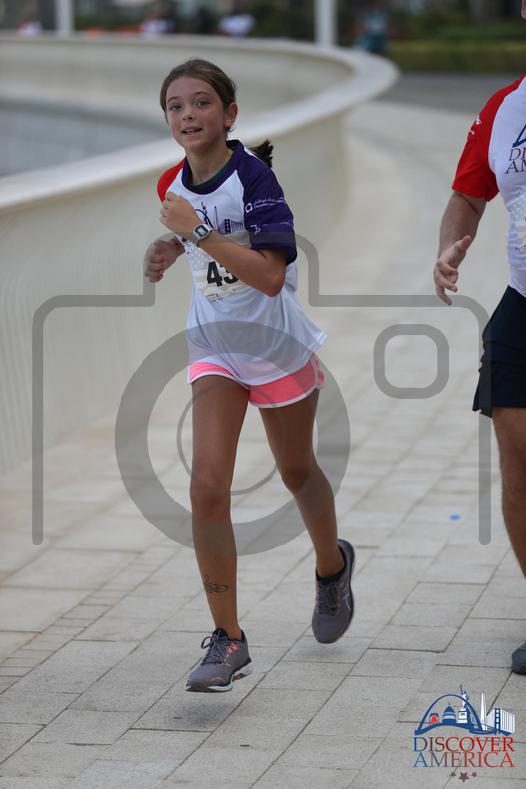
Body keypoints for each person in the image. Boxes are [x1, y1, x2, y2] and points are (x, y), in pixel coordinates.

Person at [144, 58, 355, 692]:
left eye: (201, 102)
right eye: (175, 106)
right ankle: (228, 639)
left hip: (275, 346)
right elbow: (195, 244)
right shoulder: (172, 184)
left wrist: (196, 231)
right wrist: (168, 248)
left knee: (296, 470)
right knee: (207, 486)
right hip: (215, 348)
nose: (188, 115)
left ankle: (331, 568)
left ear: (229, 113)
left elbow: (267, 276)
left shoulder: (256, 179)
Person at [434, 10, 526, 674]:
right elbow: (469, 195)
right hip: (522, 305)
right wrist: (450, 246)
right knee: (517, 466)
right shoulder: (503, 108)